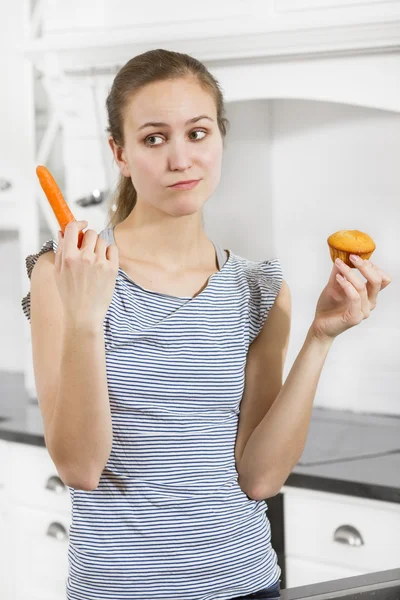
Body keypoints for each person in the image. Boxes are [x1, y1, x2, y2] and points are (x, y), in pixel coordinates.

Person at [21, 49, 391, 600]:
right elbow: (80, 466)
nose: (180, 159)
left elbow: (260, 479)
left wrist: (321, 336)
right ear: (119, 153)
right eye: (153, 139)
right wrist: (85, 320)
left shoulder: (260, 289)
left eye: (197, 133)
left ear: (220, 138)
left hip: (247, 584)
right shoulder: (67, 273)